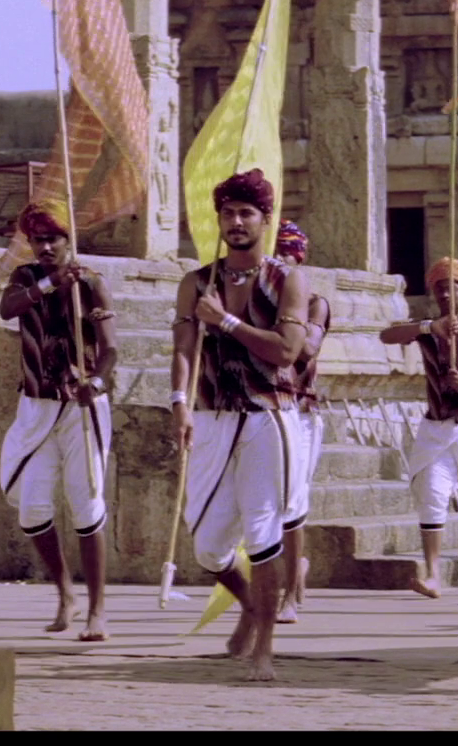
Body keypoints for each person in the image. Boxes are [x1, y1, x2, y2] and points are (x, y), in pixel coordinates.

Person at [171, 169, 311, 682]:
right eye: (228, 213)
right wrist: (179, 404)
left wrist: (226, 321)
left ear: (264, 220)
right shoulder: (197, 282)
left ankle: (265, 648)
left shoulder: (287, 279)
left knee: (262, 531)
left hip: (267, 416)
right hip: (212, 416)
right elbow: (184, 349)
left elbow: (287, 351)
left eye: (246, 213)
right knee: (207, 545)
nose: (236, 222)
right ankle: (252, 605)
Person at [0, 197, 118, 641]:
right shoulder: (26, 278)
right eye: (37, 240)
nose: (46, 247)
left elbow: (110, 349)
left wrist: (97, 383)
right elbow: (7, 310)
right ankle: (66, 592)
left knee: (86, 505)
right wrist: (50, 283)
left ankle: (97, 611)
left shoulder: (92, 283)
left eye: (53, 239)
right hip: (36, 406)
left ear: (69, 239)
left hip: (82, 408)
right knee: (32, 509)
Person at [379, 257, 458, 599]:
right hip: (437, 425)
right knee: (431, 498)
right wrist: (430, 327)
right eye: (440, 288)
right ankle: (432, 575)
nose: (445, 294)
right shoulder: (429, 329)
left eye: (453, 288)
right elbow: (388, 335)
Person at [273, 221, 329, 623]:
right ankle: (294, 572)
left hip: (300, 411)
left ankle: (289, 593)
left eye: (285, 254)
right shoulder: (255, 298)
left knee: (292, 503)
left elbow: (305, 349)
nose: (279, 260)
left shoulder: (313, 303)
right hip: (262, 408)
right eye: (274, 252)